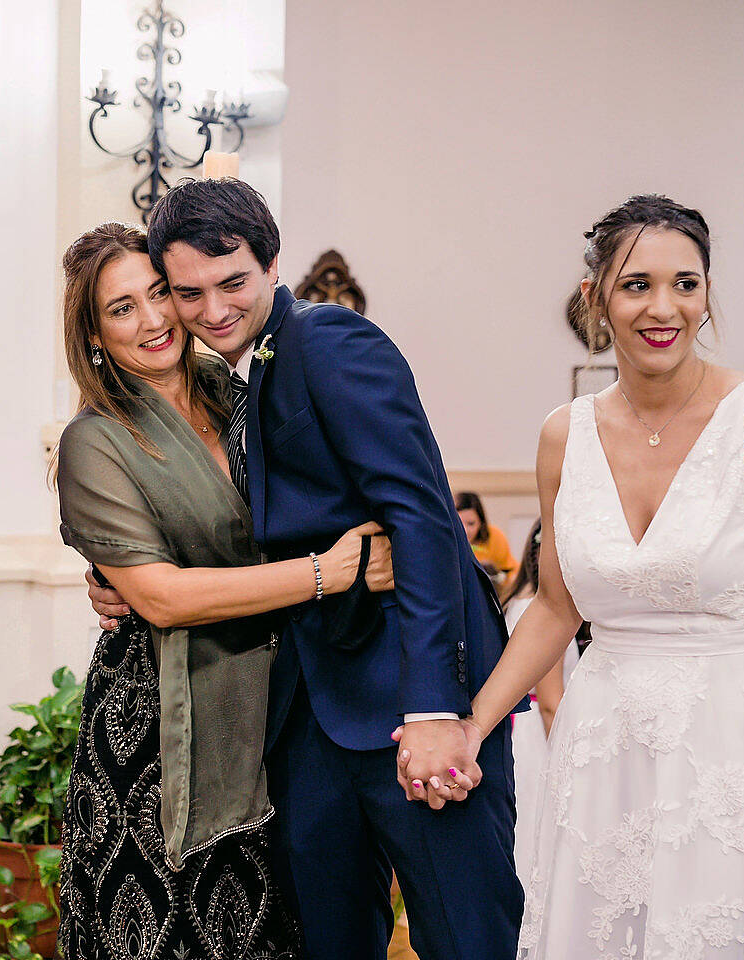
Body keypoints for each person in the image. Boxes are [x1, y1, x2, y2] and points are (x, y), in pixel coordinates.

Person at [402, 195, 744, 958]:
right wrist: (473, 726)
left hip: (736, 745)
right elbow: (555, 608)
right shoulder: (564, 436)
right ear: (596, 297)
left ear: (707, 292)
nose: (664, 307)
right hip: (607, 750)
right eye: (637, 285)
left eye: (686, 283)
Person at [88, 179, 523, 960]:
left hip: (404, 700)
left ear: (271, 264)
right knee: (326, 940)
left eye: (232, 283)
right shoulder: (231, 383)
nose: (212, 309)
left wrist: (432, 708)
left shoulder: (329, 341)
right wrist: (115, 575)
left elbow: (421, 517)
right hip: (305, 717)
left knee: (464, 936)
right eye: (189, 293)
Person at [53, 221, 395, 958]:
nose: (152, 319)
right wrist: (323, 574)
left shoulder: (239, 392)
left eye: (160, 293)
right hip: (159, 730)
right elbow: (161, 597)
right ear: (94, 337)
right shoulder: (97, 439)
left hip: (281, 702)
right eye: (121, 309)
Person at [496, 520, 573, 886]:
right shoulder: (546, 613)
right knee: (540, 827)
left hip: (516, 726)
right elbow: (550, 701)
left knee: (522, 828)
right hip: (539, 731)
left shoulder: (513, 601)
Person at [456, 490, 518, 584]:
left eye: (471, 523)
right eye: (459, 523)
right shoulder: (444, 540)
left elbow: (511, 573)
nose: (465, 530)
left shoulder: (495, 537)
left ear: (481, 523)